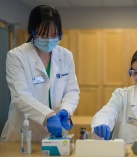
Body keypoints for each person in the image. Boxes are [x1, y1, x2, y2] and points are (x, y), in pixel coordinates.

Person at [1, 5, 80, 142]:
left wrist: (66, 110)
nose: (49, 40)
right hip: (25, 134)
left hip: (57, 133)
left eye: (54, 35)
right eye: (43, 35)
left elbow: (72, 91)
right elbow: (21, 96)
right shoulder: (17, 56)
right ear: (32, 31)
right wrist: (48, 115)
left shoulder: (65, 56)